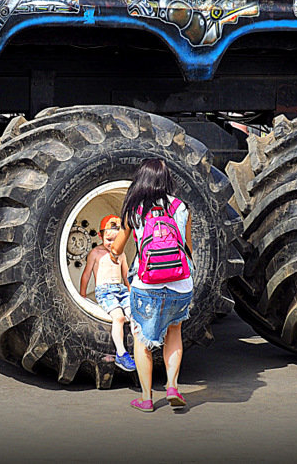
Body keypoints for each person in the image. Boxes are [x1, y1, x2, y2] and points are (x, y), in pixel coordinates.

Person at [106, 158, 193, 412]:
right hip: (180, 284)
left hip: (147, 285)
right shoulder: (181, 207)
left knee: (141, 339)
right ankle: (172, 387)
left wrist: (113, 254)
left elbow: (117, 248)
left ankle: (146, 398)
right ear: (167, 180)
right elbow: (187, 247)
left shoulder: (134, 210)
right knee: (174, 333)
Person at [79, 215, 135, 372]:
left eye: (116, 240)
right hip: (105, 291)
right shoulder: (96, 253)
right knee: (119, 317)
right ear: (100, 235)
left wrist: (130, 291)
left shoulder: (121, 254)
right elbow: (86, 274)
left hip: (121, 290)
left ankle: (140, 351)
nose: (112, 244)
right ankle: (121, 354)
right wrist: (82, 295)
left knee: (135, 316)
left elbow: (126, 276)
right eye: (109, 239)